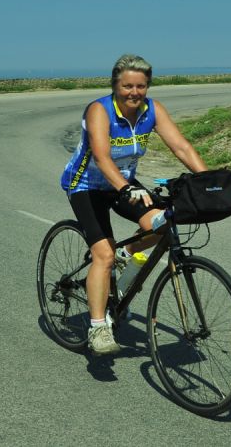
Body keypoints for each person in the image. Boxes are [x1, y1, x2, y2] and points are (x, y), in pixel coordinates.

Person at [60, 54, 207, 356]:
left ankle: (125, 254)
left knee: (166, 221)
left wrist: (209, 181)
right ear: (116, 85)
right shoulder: (100, 110)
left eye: (141, 86)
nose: (134, 92)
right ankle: (99, 327)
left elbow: (180, 146)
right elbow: (101, 156)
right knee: (102, 253)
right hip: (87, 186)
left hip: (124, 184)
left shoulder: (152, 110)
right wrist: (126, 188)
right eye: (128, 86)